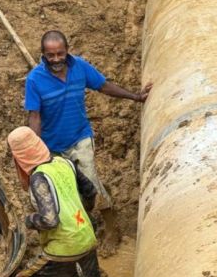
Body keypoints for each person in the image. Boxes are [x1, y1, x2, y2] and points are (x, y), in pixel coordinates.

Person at [24, 29, 152, 211]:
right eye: (50, 55)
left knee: (90, 184)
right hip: (53, 147)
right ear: (43, 54)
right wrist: (37, 150)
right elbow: (34, 116)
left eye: (60, 54)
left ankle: (107, 219)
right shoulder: (35, 80)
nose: (56, 59)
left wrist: (136, 97)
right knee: (65, 191)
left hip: (80, 138)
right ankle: (84, 219)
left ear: (67, 50)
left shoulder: (80, 67)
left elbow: (103, 86)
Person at [7, 126, 106, 277]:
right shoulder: (64, 162)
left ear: (19, 159)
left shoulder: (38, 178)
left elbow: (50, 220)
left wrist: (29, 221)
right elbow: (91, 192)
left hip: (63, 248)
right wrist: (82, 215)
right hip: (86, 237)